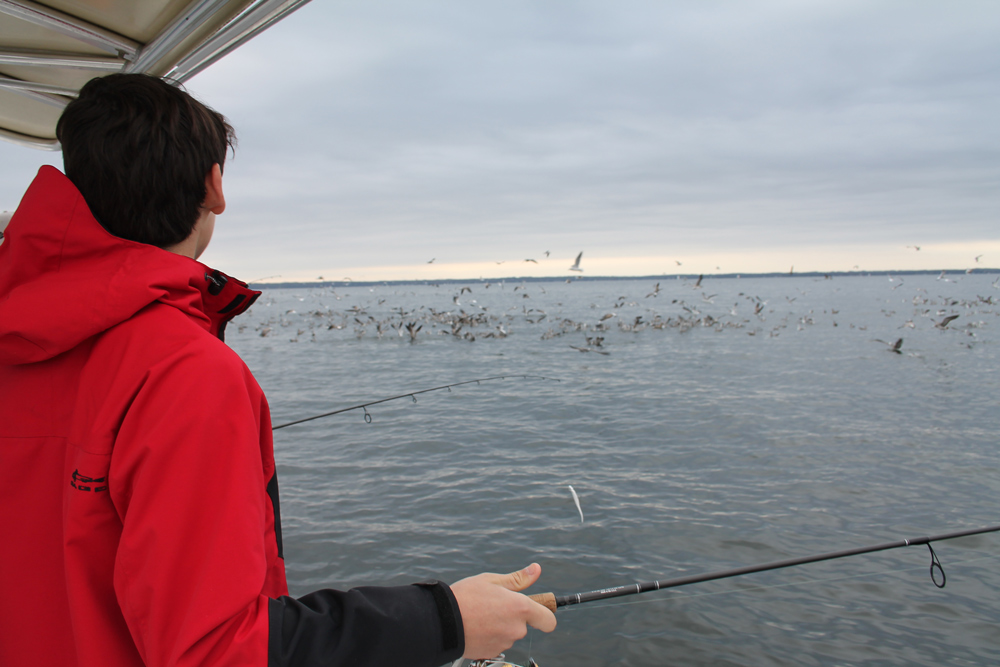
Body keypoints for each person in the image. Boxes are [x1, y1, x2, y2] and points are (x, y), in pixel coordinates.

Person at [0, 73, 555, 667]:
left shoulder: (20, 332)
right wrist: (445, 620)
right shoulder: (181, 371)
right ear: (213, 185)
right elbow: (213, 650)